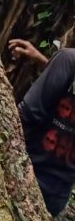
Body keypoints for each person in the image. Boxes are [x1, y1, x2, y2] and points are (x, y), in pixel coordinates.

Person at [10, 34, 75, 216]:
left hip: (25, 175)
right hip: (57, 196)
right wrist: (45, 62)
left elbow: (27, 114)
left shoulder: (67, 59)